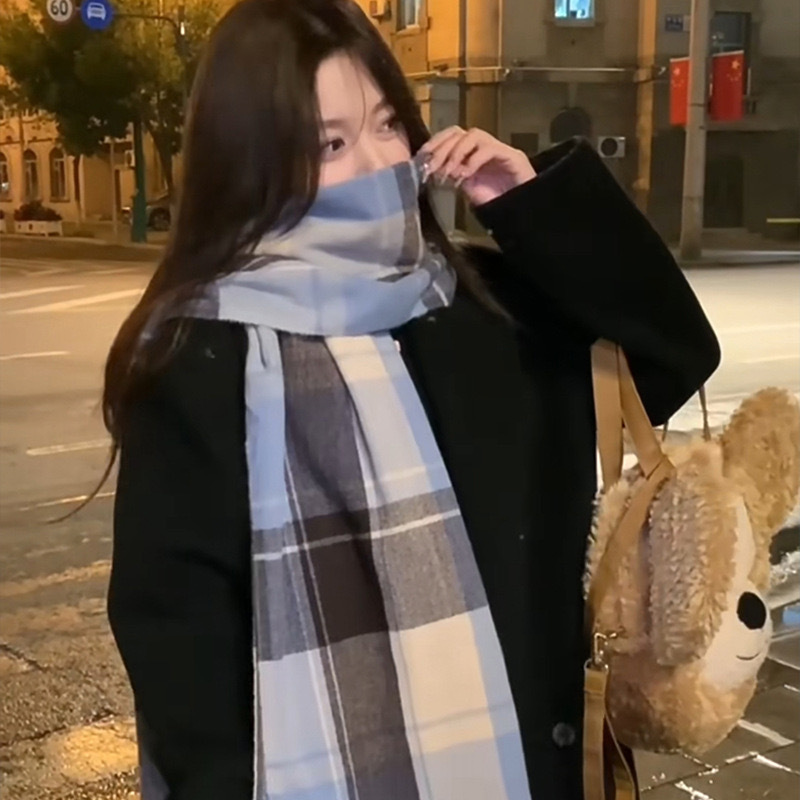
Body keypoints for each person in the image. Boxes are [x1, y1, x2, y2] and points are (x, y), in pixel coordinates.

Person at [103, 0, 721, 798]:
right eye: (330, 144)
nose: (377, 163)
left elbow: (674, 356)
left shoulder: (485, 300)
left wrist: (530, 205)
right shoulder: (203, 359)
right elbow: (184, 656)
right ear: (253, 166)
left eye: (389, 125)